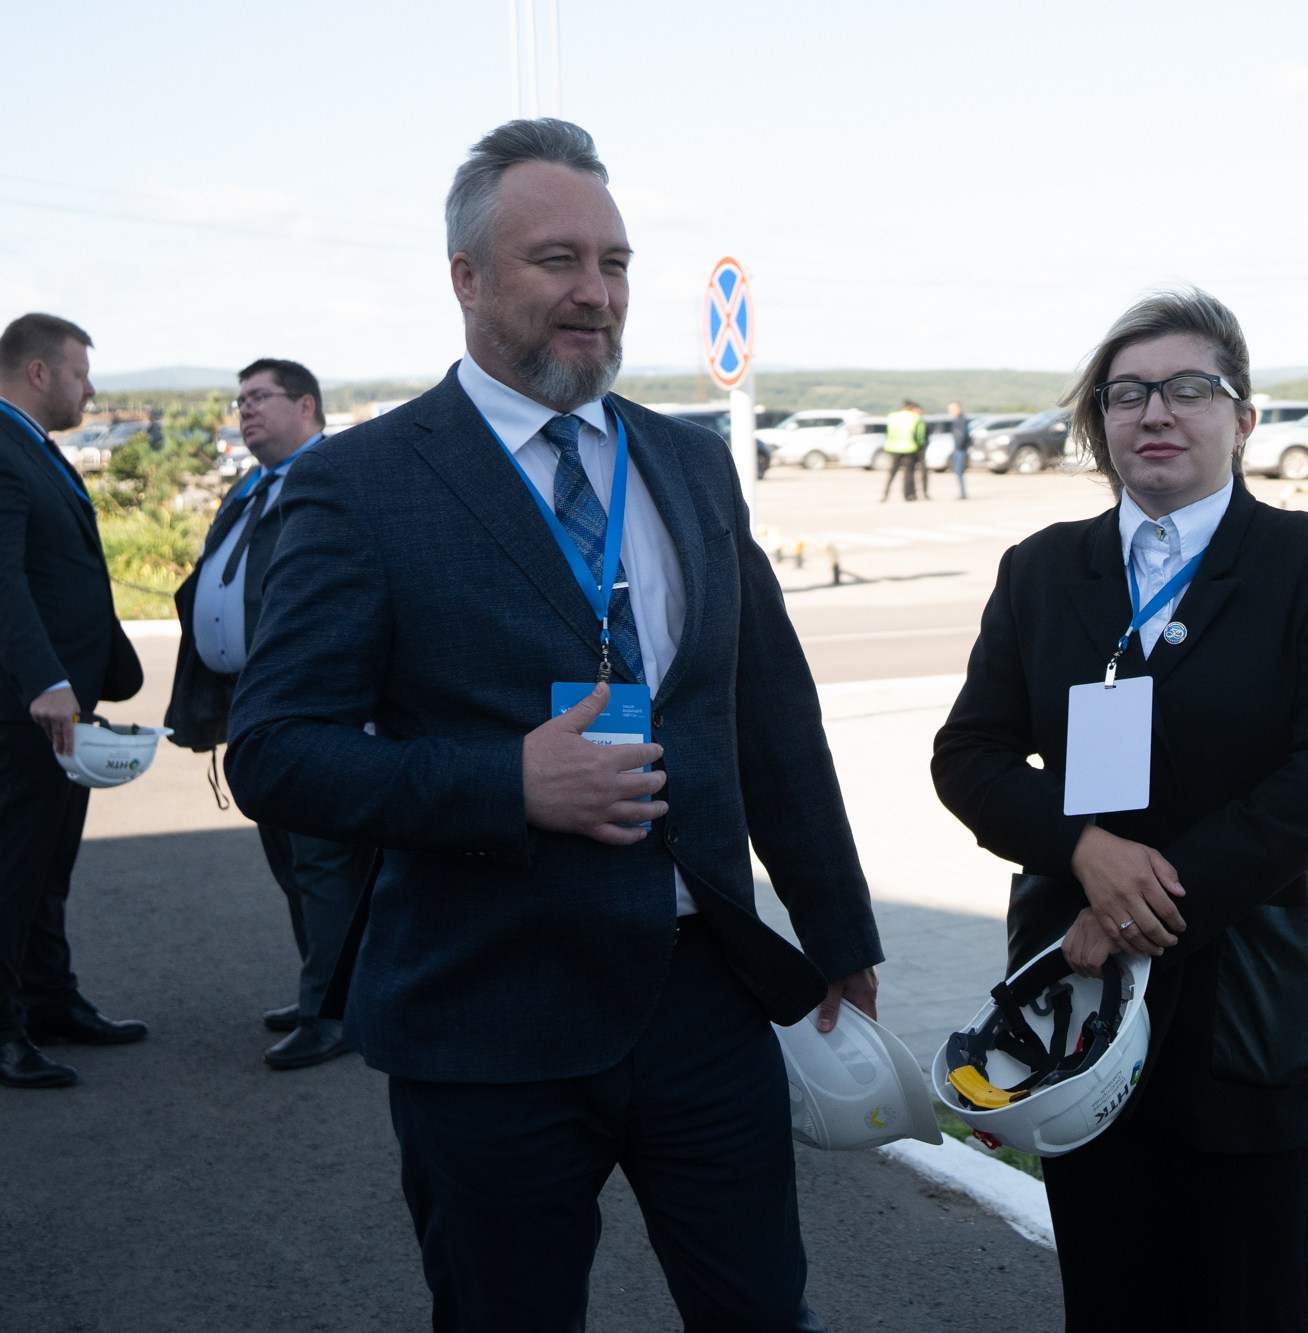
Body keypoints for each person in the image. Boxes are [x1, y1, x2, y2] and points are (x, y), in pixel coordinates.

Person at [224, 119, 882, 1332]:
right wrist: (503, 784)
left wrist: (837, 925)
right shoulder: (359, 484)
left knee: (760, 1313)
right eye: (557, 261)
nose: (595, 294)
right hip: (489, 1016)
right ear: (466, 278)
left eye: (616, 264)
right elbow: (274, 749)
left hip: (704, 999)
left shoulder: (686, 464)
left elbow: (769, 716)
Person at [933, 290, 1308, 1332]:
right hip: (1076, 1010)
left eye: (1190, 388)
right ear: (1096, 420)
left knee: (1249, 1299)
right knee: (1110, 1299)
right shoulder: (1046, 570)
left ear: (1241, 415)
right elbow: (968, 755)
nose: (1156, 413)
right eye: (1126, 392)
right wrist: (1083, 853)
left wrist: (1146, 896)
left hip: (1245, 1009)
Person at [165, 358, 373, 1070]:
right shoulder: (254, 483)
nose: (244, 410)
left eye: (260, 397)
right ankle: (324, 982)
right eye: (240, 398)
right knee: (289, 857)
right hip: (252, 703)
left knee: (321, 859)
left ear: (307, 405)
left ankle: (332, 1010)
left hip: (313, 703)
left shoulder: (341, 478)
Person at [0, 312, 149, 1091]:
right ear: (37, 372)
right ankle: (5, 1032)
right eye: (81, 373)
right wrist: (45, 681)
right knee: (14, 866)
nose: (90, 388)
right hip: (27, 709)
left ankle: (52, 1003)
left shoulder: (31, 447)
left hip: (58, 705)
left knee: (48, 864)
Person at [879, 399, 926, 501]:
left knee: (892, 473)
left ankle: (885, 494)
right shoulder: (914, 417)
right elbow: (919, 435)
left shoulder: (892, 416)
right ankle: (908, 495)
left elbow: (888, 432)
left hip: (893, 448)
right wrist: (921, 447)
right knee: (908, 474)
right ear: (910, 407)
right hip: (909, 448)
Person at [946, 399, 971, 499]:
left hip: (960, 449)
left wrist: (960, 445)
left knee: (959, 471)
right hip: (958, 448)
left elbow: (963, 435)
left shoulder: (961, 420)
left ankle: (962, 493)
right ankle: (962, 492)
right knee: (957, 471)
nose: (950, 411)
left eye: (952, 409)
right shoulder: (957, 420)